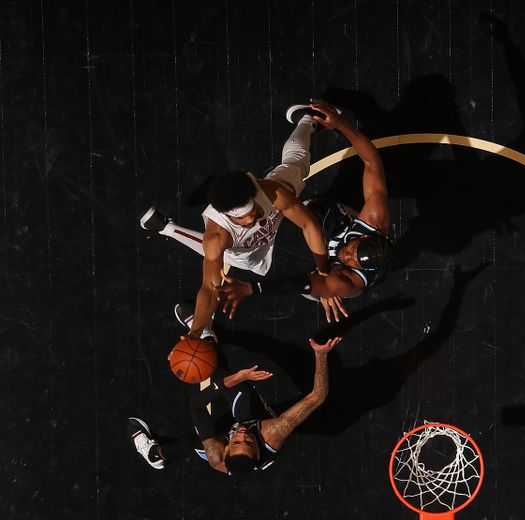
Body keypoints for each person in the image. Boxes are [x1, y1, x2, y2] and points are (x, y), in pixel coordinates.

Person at [139, 105, 330, 342]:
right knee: (224, 256)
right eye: (242, 218)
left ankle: (307, 120)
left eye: (253, 211)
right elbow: (210, 288)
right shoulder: (218, 234)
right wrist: (197, 331)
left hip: (275, 217)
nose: (251, 219)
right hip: (244, 252)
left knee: (297, 165)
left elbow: (309, 225)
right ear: (226, 215)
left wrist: (324, 274)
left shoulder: (272, 192)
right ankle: (166, 227)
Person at [216, 102, 395, 323]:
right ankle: (308, 121)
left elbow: (303, 282)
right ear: (367, 236)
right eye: (352, 249)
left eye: (351, 260)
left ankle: (324, 292)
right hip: (325, 217)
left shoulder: (348, 284)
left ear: (358, 269)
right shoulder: (375, 219)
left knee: (313, 291)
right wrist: (341, 124)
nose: (345, 255)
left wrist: (253, 288)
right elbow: (372, 162)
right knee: (291, 190)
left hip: (323, 271)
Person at [128, 336, 341, 475]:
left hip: (219, 448)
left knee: (195, 438)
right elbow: (317, 397)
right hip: (254, 421)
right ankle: (207, 352)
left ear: (227, 447)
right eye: (247, 442)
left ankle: (156, 454)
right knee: (241, 391)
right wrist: (321, 355)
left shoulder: (216, 454)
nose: (241, 434)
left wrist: (187, 359)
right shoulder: (274, 432)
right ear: (257, 450)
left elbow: (196, 405)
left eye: (236, 441)